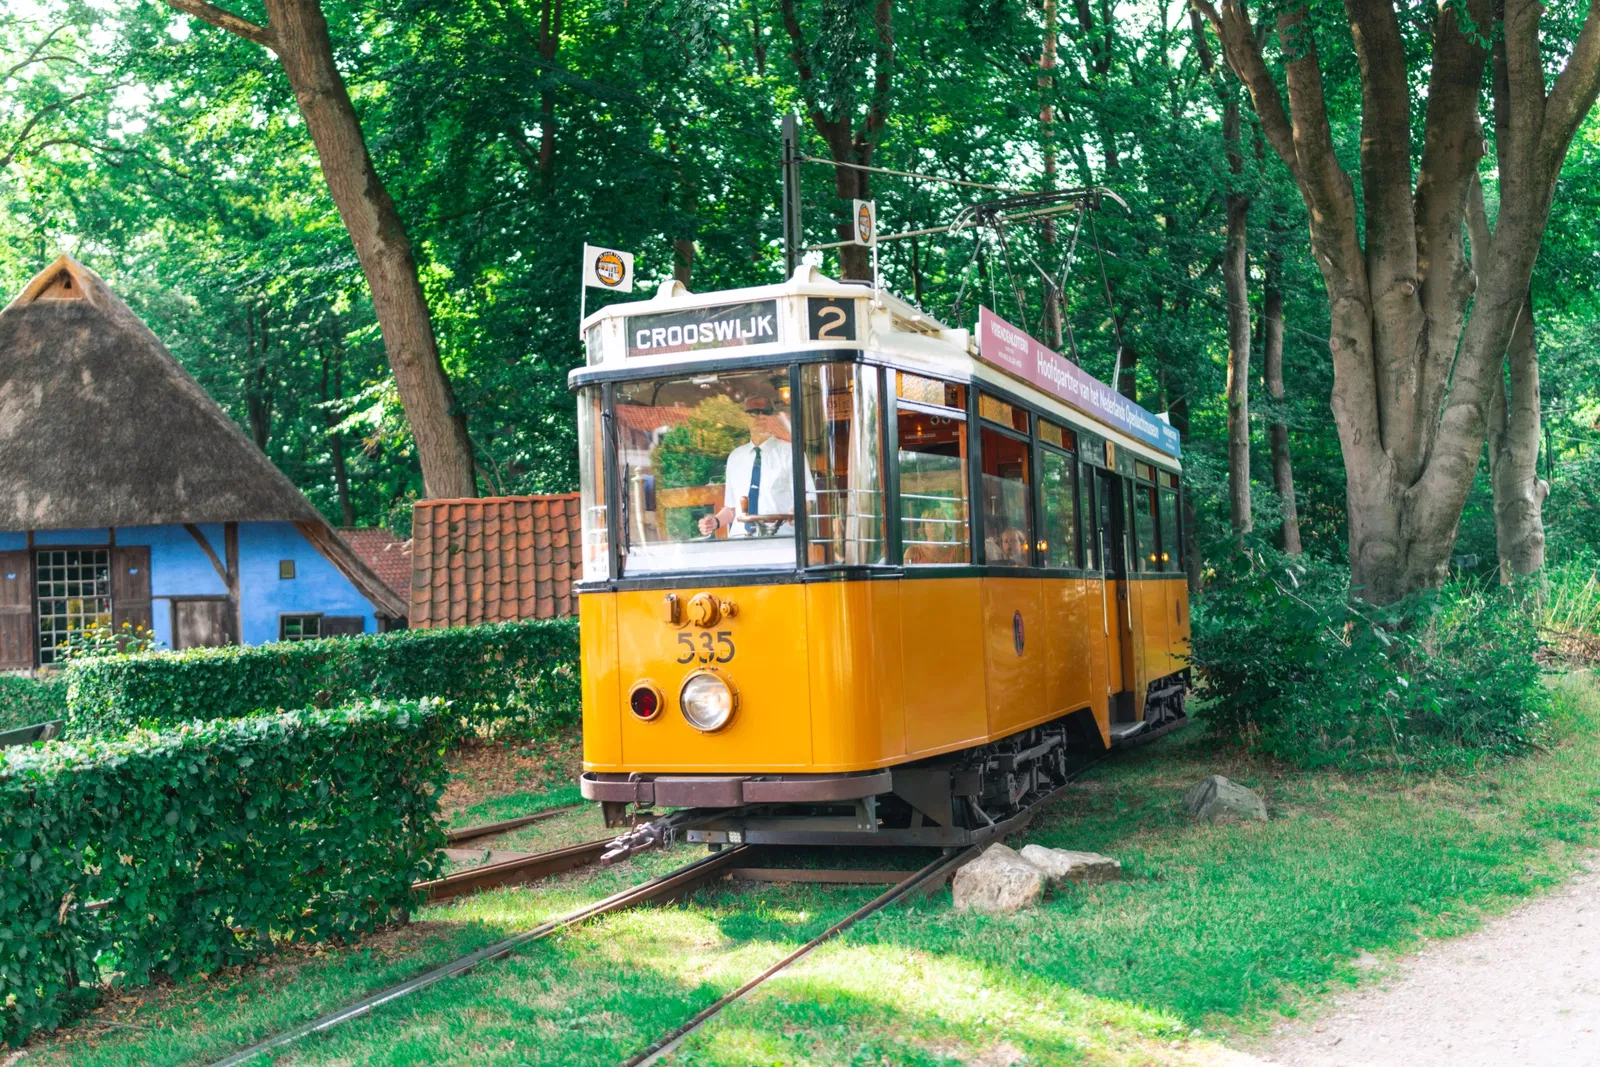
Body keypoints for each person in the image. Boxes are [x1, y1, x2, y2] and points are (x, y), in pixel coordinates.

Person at [697, 395, 801, 538]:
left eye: (766, 411)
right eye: (753, 412)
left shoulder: (790, 453)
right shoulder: (735, 457)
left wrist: (796, 513)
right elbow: (732, 509)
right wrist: (714, 521)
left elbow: (808, 496)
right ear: (744, 418)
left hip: (780, 539)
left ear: (773, 417)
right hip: (741, 543)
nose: (760, 416)